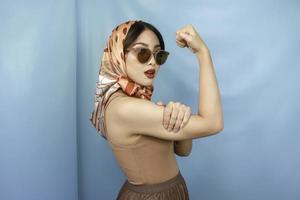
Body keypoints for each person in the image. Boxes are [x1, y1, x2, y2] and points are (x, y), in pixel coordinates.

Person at [90, 20, 224, 200]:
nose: (153, 62)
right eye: (142, 53)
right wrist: (203, 53)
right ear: (119, 54)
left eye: (158, 55)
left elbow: (183, 151)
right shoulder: (124, 108)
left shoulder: (136, 100)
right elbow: (213, 123)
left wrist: (179, 114)